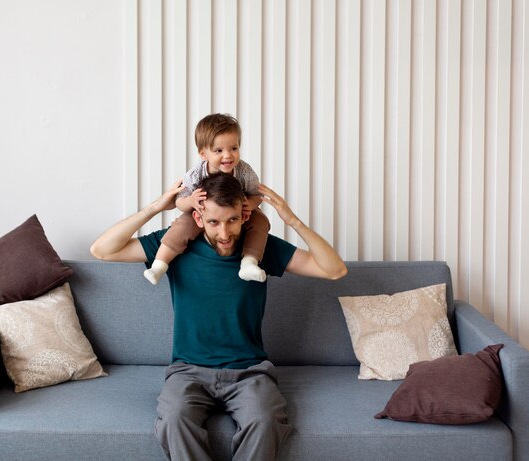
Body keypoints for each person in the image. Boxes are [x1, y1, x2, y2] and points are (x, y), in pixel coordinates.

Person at [90, 173, 347, 461]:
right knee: (174, 419)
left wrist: (293, 221)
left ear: (244, 216)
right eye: (213, 222)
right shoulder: (174, 246)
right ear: (198, 219)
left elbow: (334, 269)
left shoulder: (261, 248)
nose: (224, 233)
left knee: (265, 420)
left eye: (232, 221)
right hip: (188, 372)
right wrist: (155, 208)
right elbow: (102, 250)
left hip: (249, 373)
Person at [143, 113, 271, 285]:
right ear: (203, 154)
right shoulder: (196, 175)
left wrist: (250, 203)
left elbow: (257, 194)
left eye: (234, 148)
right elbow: (179, 202)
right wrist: (191, 202)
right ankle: (159, 264)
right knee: (183, 225)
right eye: (219, 151)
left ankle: (249, 262)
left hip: (237, 212)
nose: (228, 156)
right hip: (204, 213)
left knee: (261, 221)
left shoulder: (244, 171)